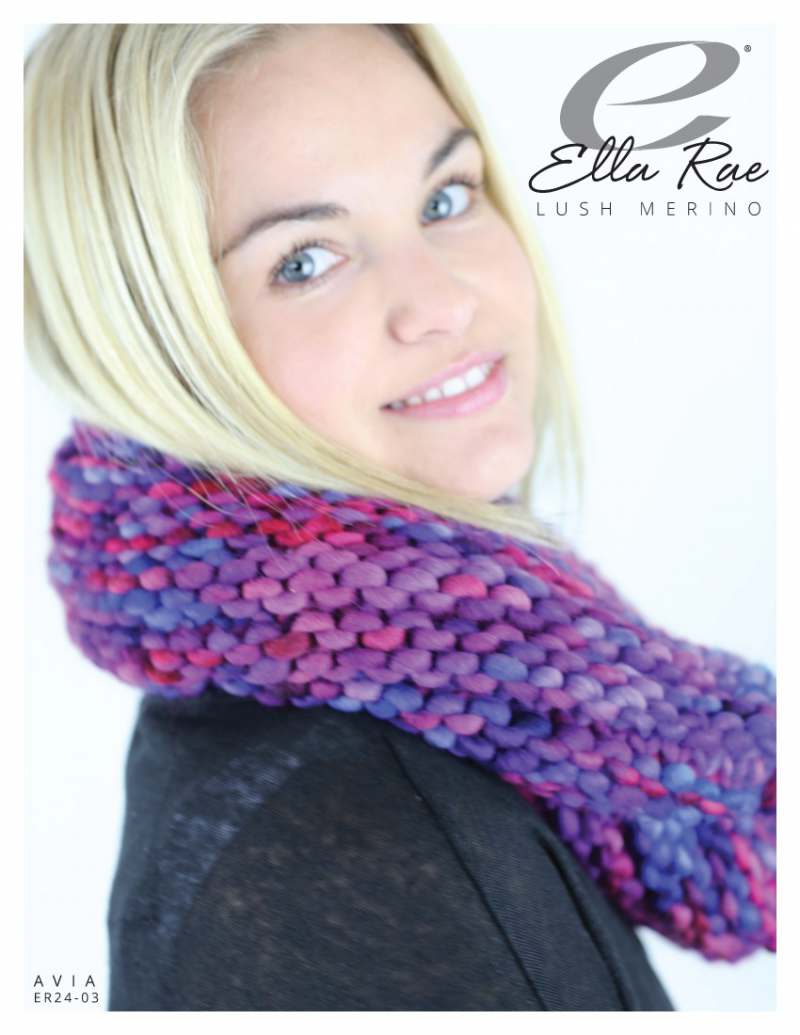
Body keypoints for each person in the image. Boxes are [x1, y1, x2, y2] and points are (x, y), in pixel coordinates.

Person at [29, 22, 753, 1011]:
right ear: (159, 354)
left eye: (444, 197)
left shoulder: (473, 714)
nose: (441, 302)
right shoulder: (343, 855)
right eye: (304, 260)